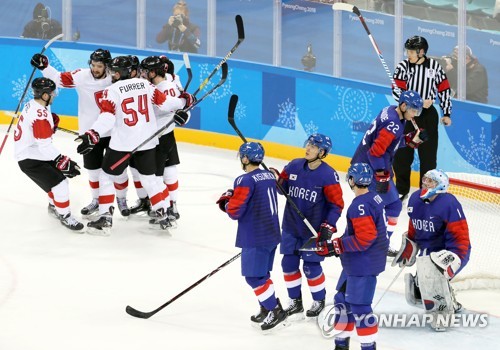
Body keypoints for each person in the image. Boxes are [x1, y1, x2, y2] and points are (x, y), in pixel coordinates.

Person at [75, 56, 194, 234]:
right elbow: (168, 104)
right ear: (132, 71)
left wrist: (93, 133)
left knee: (107, 177)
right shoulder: (146, 85)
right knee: (150, 179)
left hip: (123, 144)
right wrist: (185, 101)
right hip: (147, 142)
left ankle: (105, 219)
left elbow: (107, 117)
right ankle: (164, 216)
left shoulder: (111, 91)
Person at [30, 48, 131, 219]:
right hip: (90, 133)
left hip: (114, 131)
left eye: (99, 66)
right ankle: (96, 200)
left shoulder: (116, 78)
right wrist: (44, 66)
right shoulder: (82, 76)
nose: (95, 69)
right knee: (93, 170)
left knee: (119, 171)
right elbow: (59, 79)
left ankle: (122, 200)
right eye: (93, 64)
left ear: (107, 66)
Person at [216, 142, 288, 332]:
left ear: (246, 158)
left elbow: (235, 211)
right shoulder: (268, 175)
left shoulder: (244, 180)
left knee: (253, 277)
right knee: (262, 274)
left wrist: (226, 202)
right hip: (272, 233)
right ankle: (266, 307)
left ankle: (275, 309)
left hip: (256, 235)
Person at [270, 134, 344, 320]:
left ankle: (319, 299)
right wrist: (276, 179)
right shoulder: (294, 165)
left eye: (314, 146)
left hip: (313, 231)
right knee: (288, 264)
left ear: (322, 152)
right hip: (290, 226)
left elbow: (337, 204)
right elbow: (282, 190)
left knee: (311, 267)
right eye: (308, 144)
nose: (308, 148)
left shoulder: (328, 175)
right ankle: (295, 301)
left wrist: (328, 226)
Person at [315, 163, 388, 350]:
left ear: (352, 180)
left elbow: (365, 239)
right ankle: (341, 344)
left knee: (360, 308)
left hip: (363, 263)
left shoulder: (360, 205)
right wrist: (336, 245)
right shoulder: (375, 198)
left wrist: (337, 245)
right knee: (341, 300)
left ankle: (368, 347)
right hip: (357, 262)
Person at [392, 169, 471, 331]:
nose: (426, 183)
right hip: (428, 253)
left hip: (452, 251)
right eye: (426, 179)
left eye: (431, 181)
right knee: (416, 293)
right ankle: (451, 302)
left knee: (434, 280)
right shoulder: (415, 199)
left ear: (440, 186)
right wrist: (410, 245)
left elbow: (461, 238)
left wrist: (455, 258)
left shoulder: (449, 203)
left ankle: (443, 313)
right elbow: (414, 227)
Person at [351, 90, 424, 256]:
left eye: (417, 112)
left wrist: (409, 140)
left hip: (370, 166)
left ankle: (380, 243)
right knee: (374, 207)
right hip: (368, 170)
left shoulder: (391, 111)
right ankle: (374, 244)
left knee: (393, 205)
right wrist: (382, 175)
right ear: (404, 105)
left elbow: (390, 143)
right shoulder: (394, 124)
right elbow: (375, 152)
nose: (414, 114)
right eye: (413, 110)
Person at [14, 77, 83, 231]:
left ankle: (54, 206)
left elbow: (36, 130)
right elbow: (45, 145)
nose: (55, 95)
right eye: (52, 93)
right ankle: (65, 216)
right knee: (61, 185)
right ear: (45, 95)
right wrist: (62, 160)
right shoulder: (40, 117)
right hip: (30, 158)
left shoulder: (34, 104)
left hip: (33, 152)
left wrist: (50, 124)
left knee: (57, 182)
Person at [392, 35, 453, 200]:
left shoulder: (434, 66)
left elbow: (444, 90)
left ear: (421, 52)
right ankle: (401, 189)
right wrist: (417, 102)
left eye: (411, 51)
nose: (408, 54)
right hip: (407, 114)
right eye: (407, 51)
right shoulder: (403, 66)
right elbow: (397, 90)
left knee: (428, 158)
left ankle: (425, 191)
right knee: (402, 156)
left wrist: (446, 113)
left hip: (427, 117)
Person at [129, 56, 187, 223]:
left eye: (145, 71)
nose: (142, 74)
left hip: (161, 137)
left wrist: (184, 110)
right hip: (154, 136)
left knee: (161, 175)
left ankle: (168, 207)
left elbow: (173, 107)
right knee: (154, 173)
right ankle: (158, 204)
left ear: (154, 72)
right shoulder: (160, 83)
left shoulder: (164, 87)